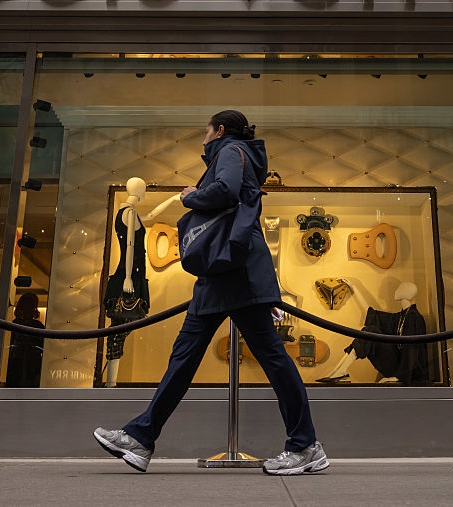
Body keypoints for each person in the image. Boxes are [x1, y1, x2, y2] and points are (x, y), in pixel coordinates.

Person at [94, 110, 328, 476]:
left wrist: (191, 195)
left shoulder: (231, 150)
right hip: (223, 272)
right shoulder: (235, 152)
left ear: (218, 130)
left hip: (235, 273)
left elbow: (226, 190)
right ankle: (141, 438)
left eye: (205, 131)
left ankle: (305, 445)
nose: (202, 138)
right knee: (186, 358)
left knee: (271, 358)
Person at [315, 280, 428, 385]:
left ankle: (340, 372)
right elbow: (371, 313)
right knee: (369, 332)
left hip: (407, 372)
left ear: (407, 292)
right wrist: (354, 288)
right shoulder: (400, 317)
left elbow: (412, 351)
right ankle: (339, 371)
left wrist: (400, 377)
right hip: (398, 367)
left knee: (370, 331)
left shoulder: (414, 318)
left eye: (400, 287)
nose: (396, 290)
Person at [101, 177, 151, 388]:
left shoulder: (128, 212)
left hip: (131, 275)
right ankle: (110, 382)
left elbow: (149, 216)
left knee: (119, 329)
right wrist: (129, 276)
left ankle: (110, 381)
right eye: (145, 189)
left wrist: (174, 200)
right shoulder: (129, 213)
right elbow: (130, 244)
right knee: (118, 328)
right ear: (140, 190)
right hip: (128, 275)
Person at [6, 292, 45, 387]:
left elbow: (43, 346)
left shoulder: (36, 326)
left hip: (31, 363)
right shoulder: (15, 324)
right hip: (18, 362)